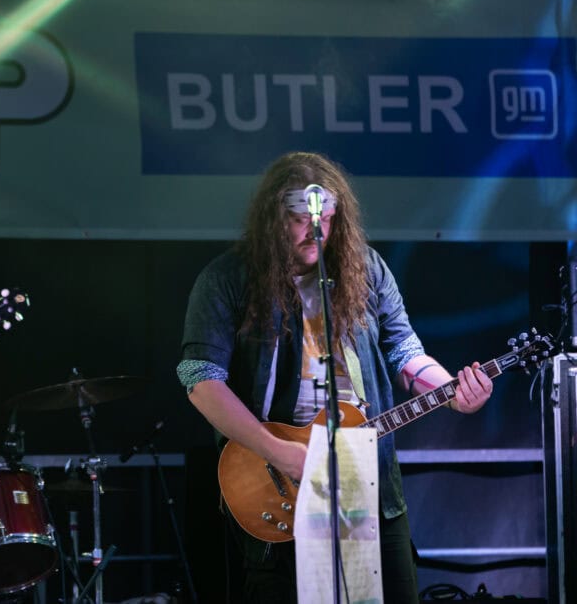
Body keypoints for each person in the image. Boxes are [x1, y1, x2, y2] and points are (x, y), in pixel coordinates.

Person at [176, 152, 493, 602]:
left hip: (367, 471)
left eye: (326, 218)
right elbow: (200, 380)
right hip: (278, 473)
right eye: (300, 219)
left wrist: (453, 393)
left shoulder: (366, 269)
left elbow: (404, 351)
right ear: (272, 218)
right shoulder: (227, 279)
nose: (316, 230)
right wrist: (278, 452)